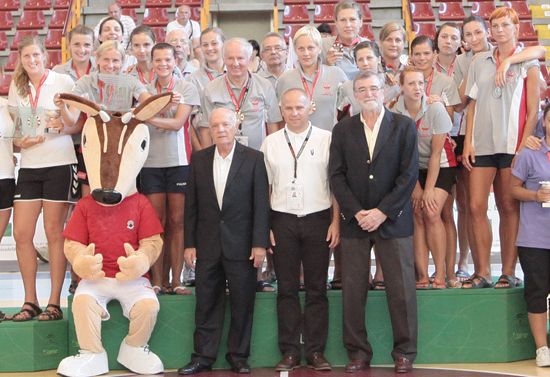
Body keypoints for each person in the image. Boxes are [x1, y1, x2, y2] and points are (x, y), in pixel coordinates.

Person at [329, 71, 418, 373]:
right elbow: (336, 176)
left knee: (401, 289)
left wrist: (382, 211)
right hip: (355, 221)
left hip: (393, 220)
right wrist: (355, 212)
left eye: (373, 88)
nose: (368, 93)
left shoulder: (404, 126)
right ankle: (357, 352)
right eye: (362, 89)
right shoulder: (342, 130)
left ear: (384, 91)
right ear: (354, 94)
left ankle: (405, 351)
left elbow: (408, 176)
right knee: (353, 289)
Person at [179, 107, 270, 375]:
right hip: (207, 245)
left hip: (243, 246)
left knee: (243, 303)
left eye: (225, 124)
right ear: (210, 128)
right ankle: (202, 357)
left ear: (235, 126)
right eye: (215, 125)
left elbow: (260, 205)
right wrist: (189, 243)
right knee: (206, 302)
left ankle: (238, 356)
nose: (220, 129)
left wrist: (259, 243)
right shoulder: (200, 160)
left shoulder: (254, 159)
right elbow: (191, 206)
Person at [261, 88, 340, 371]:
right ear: (281, 110)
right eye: (289, 108)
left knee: (318, 288)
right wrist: (265, 226)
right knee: (287, 288)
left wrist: (335, 221)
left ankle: (316, 352)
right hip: (282, 220)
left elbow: (336, 185)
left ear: (311, 108)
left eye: (299, 107)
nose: (294, 113)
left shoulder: (327, 139)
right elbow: (264, 189)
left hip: (319, 218)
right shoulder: (270, 143)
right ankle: (290, 351)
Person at [463, 7, 540, 289]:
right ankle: (482, 271)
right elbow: (471, 105)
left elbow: (533, 111)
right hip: (482, 144)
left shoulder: (528, 62)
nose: (499, 31)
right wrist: (469, 140)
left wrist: (522, 146)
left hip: (512, 146)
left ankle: (508, 271)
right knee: (475, 206)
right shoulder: (479, 61)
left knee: (508, 206)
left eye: (505, 25)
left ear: (516, 28)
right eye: (494, 26)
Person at [7, 36, 77, 321]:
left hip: (60, 163)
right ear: (21, 60)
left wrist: (62, 119)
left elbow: (75, 123)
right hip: (30, 166)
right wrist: (21, 142)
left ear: (44, 56)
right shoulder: (17, 87)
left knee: (53, 233)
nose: (32, 61)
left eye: (36, 55)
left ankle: (54, 302)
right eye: (27, 57)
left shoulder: (63, 81)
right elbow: (17, 130)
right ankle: (30, 301)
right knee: (21, 233)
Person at [391, 66, 457, 289]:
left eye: (420, 83)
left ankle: (440, 274)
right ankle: (422, 275)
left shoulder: (435, 108)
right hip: (411, 168)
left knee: (430, 211)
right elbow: (400, 157)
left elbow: (437, 154)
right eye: (411, 83)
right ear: (401, 87)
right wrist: (415, 188)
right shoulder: (394, 113)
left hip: (441, 165)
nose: (417, 88)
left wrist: (427, 189)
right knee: (416, 214)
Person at [142, 43, 199, 295]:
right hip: (150, 163)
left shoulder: (186, 87)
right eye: (158, 60)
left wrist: (148, 115)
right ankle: (157, 280)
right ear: (152, 62)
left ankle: (176, 280)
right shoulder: (144, 90)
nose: (163, 64)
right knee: (157, 223)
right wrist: (152, 109)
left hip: (178, 163)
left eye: (167, 59)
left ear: (176, 61)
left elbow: (177, 123)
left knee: (177, 221)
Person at [510, 104, 550, 367]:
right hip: (535, 238)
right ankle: (542, 348)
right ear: (544, 122)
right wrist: (535, 195)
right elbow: (513, 189)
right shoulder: (530, 151)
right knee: (536, 292)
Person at [198, 38, 282, 149]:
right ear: (224, 59)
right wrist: (208, 159)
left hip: (258, 156)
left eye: (240, 58)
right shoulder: (211, 89)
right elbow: (205, 128)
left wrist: (272, 155)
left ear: (249, 59)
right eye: (230, 58)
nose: (235, 63)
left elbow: (273, 124)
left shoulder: (265, 86)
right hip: (223, 157)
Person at [276, 25, 347, 132]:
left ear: (319, 48)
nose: (306, 53)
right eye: (301, 49)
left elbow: (347, 113)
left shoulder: (336, 75)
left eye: (310, 48)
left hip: (329, 141)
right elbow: (280, 117)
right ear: (295, 50)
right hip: (296, 142)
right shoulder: (285, 79)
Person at [321, 0, 367, 80]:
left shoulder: (368, 45)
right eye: (343, 20)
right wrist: (327, 65)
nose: (348, 25)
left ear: (360, 22)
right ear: (336, 22)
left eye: (352, 19)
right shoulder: (323, 46)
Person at [378, 22, 407, 104]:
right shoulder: (372, 70)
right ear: (380, 42)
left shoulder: (410, 70)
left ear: (404, 44)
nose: (393, 44)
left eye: (398, 40)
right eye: (389, 40)